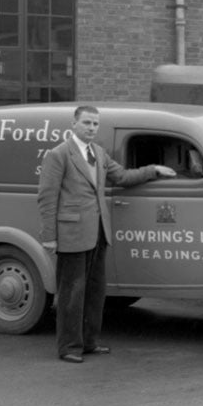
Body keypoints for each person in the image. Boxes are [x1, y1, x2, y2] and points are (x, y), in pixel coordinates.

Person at [38, 105, 176, 363]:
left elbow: (122, 176)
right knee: (71, 294)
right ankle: (69, 347)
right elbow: (47, 197)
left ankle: (89, 342)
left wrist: (152, 170)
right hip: (71, 234)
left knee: (94, 292)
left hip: (98, 232)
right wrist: (49, 236)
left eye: (95, 124)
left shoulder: (98, 153)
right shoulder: (58, 155)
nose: (91, 128)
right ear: (74, 124)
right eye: (87, 123)